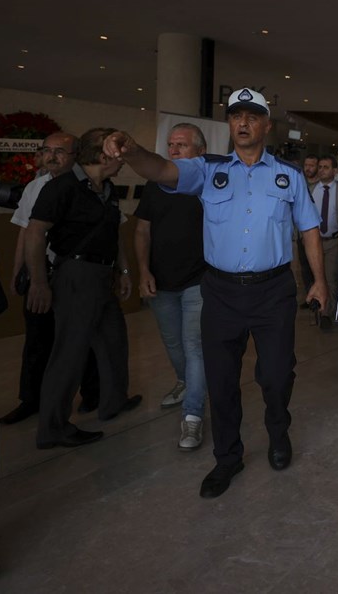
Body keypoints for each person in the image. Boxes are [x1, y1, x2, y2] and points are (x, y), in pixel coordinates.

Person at [103, 87, 329, 499]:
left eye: (251, 116)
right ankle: (228, 458)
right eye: (235, 116)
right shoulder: (207, 170)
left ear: (266, 125)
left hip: (273, 291)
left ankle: (279, 434)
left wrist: (319, 280)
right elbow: (162, 171)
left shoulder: (289, 176)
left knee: (276, 376)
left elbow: (309, 229)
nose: (242, 123)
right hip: (221, 291)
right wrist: (132, 152)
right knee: (221, 379)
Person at [25, 127, 143, 449]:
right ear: (103, 155)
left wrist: (124, 270)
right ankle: (53, 429)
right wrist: (38, 282)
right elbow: (35, 234)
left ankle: (114, 401)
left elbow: (114, 235)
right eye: (119, 155)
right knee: (70, 353)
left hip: (104, 275)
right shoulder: (62, 188)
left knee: (114, 341)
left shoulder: (108, 189)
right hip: (75, 275)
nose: (123, 163)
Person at [1, 132, 100, 425]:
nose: (52, 156)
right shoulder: (34, 187)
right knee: (36, 339)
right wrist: (19, 270)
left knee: (80, 338)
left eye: (60, 151)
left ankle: (92, 393)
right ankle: (31, 399)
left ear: (75, 156)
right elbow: (25, 230)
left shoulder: (88, 186)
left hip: (73, 273)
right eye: (47, 150)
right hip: (39, 270)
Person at [133, 123, 208, 450]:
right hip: (161, 282)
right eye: (171, 144)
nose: (174, 150)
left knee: (194, 346)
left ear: (199, 152)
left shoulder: (207, 185)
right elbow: (141, 233)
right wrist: (143, 271)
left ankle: (192, 416)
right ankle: (186, 382)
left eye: (182, 145)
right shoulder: (153, 186)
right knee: (173, 344)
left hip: (198, 280)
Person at [311, 155, 338, 330]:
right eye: (320, 166)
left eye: (326, 167)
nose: (322, 170)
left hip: (332, 240)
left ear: (334, 171)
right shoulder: (311, 189)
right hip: (313, 242)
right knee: (315, 276)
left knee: (330, 277)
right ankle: (317, 306)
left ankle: (326, 314)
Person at [297, 154, 320, 301]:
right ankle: (309, 297)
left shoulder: (322, 185)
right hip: (301, 234)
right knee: (304, 268)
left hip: (318, 234)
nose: (308, 168)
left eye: (312, 165)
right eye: (306, 165)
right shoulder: (299, 182)